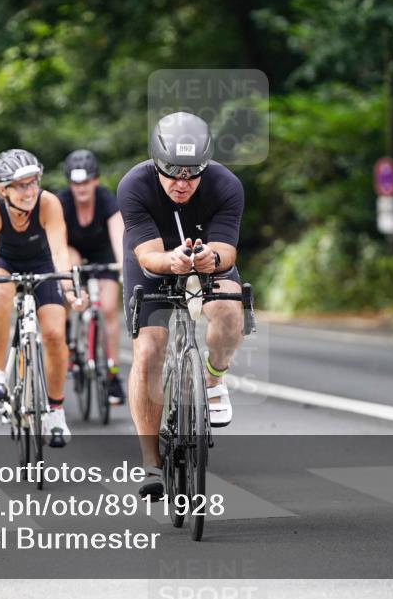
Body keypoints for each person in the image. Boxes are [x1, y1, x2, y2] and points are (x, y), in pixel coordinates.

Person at [117, 111, 245, 499]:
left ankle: (212, 379)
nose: (181, 181)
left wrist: (212, 260)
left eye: (192, 171)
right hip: (154, 261)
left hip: (206, 260)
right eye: (171, 170)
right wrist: (171, 261)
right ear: (156, 162)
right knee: (150, 349)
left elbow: (226, 248)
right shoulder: (134, 185)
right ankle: (149, 461)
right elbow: (148, 257)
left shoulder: (227, 185)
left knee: (229, 309)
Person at [0, 149, 84, 448]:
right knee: (1, 291)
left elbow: (60, 251)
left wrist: (70, 290)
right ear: (2, 189)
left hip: (42, 263)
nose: (29, 191)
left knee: (54, 334)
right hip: (2, 262)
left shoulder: (48, 203)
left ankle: (56, 411)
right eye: (20, 186)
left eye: (33, 182)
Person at [58, 149, 126, 404]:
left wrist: (122, 266)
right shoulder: (62, 202)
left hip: (102, 253)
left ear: (95, 180)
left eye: (85, 182)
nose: (81, 189)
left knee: (108, 309)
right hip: (72, 251)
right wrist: (65, 274)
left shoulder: (107, 199)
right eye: (75, 183)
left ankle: (112, 375)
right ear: (69, 184)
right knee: (69, 273)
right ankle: (65, 339)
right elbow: (57, 242)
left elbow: (119, 234)